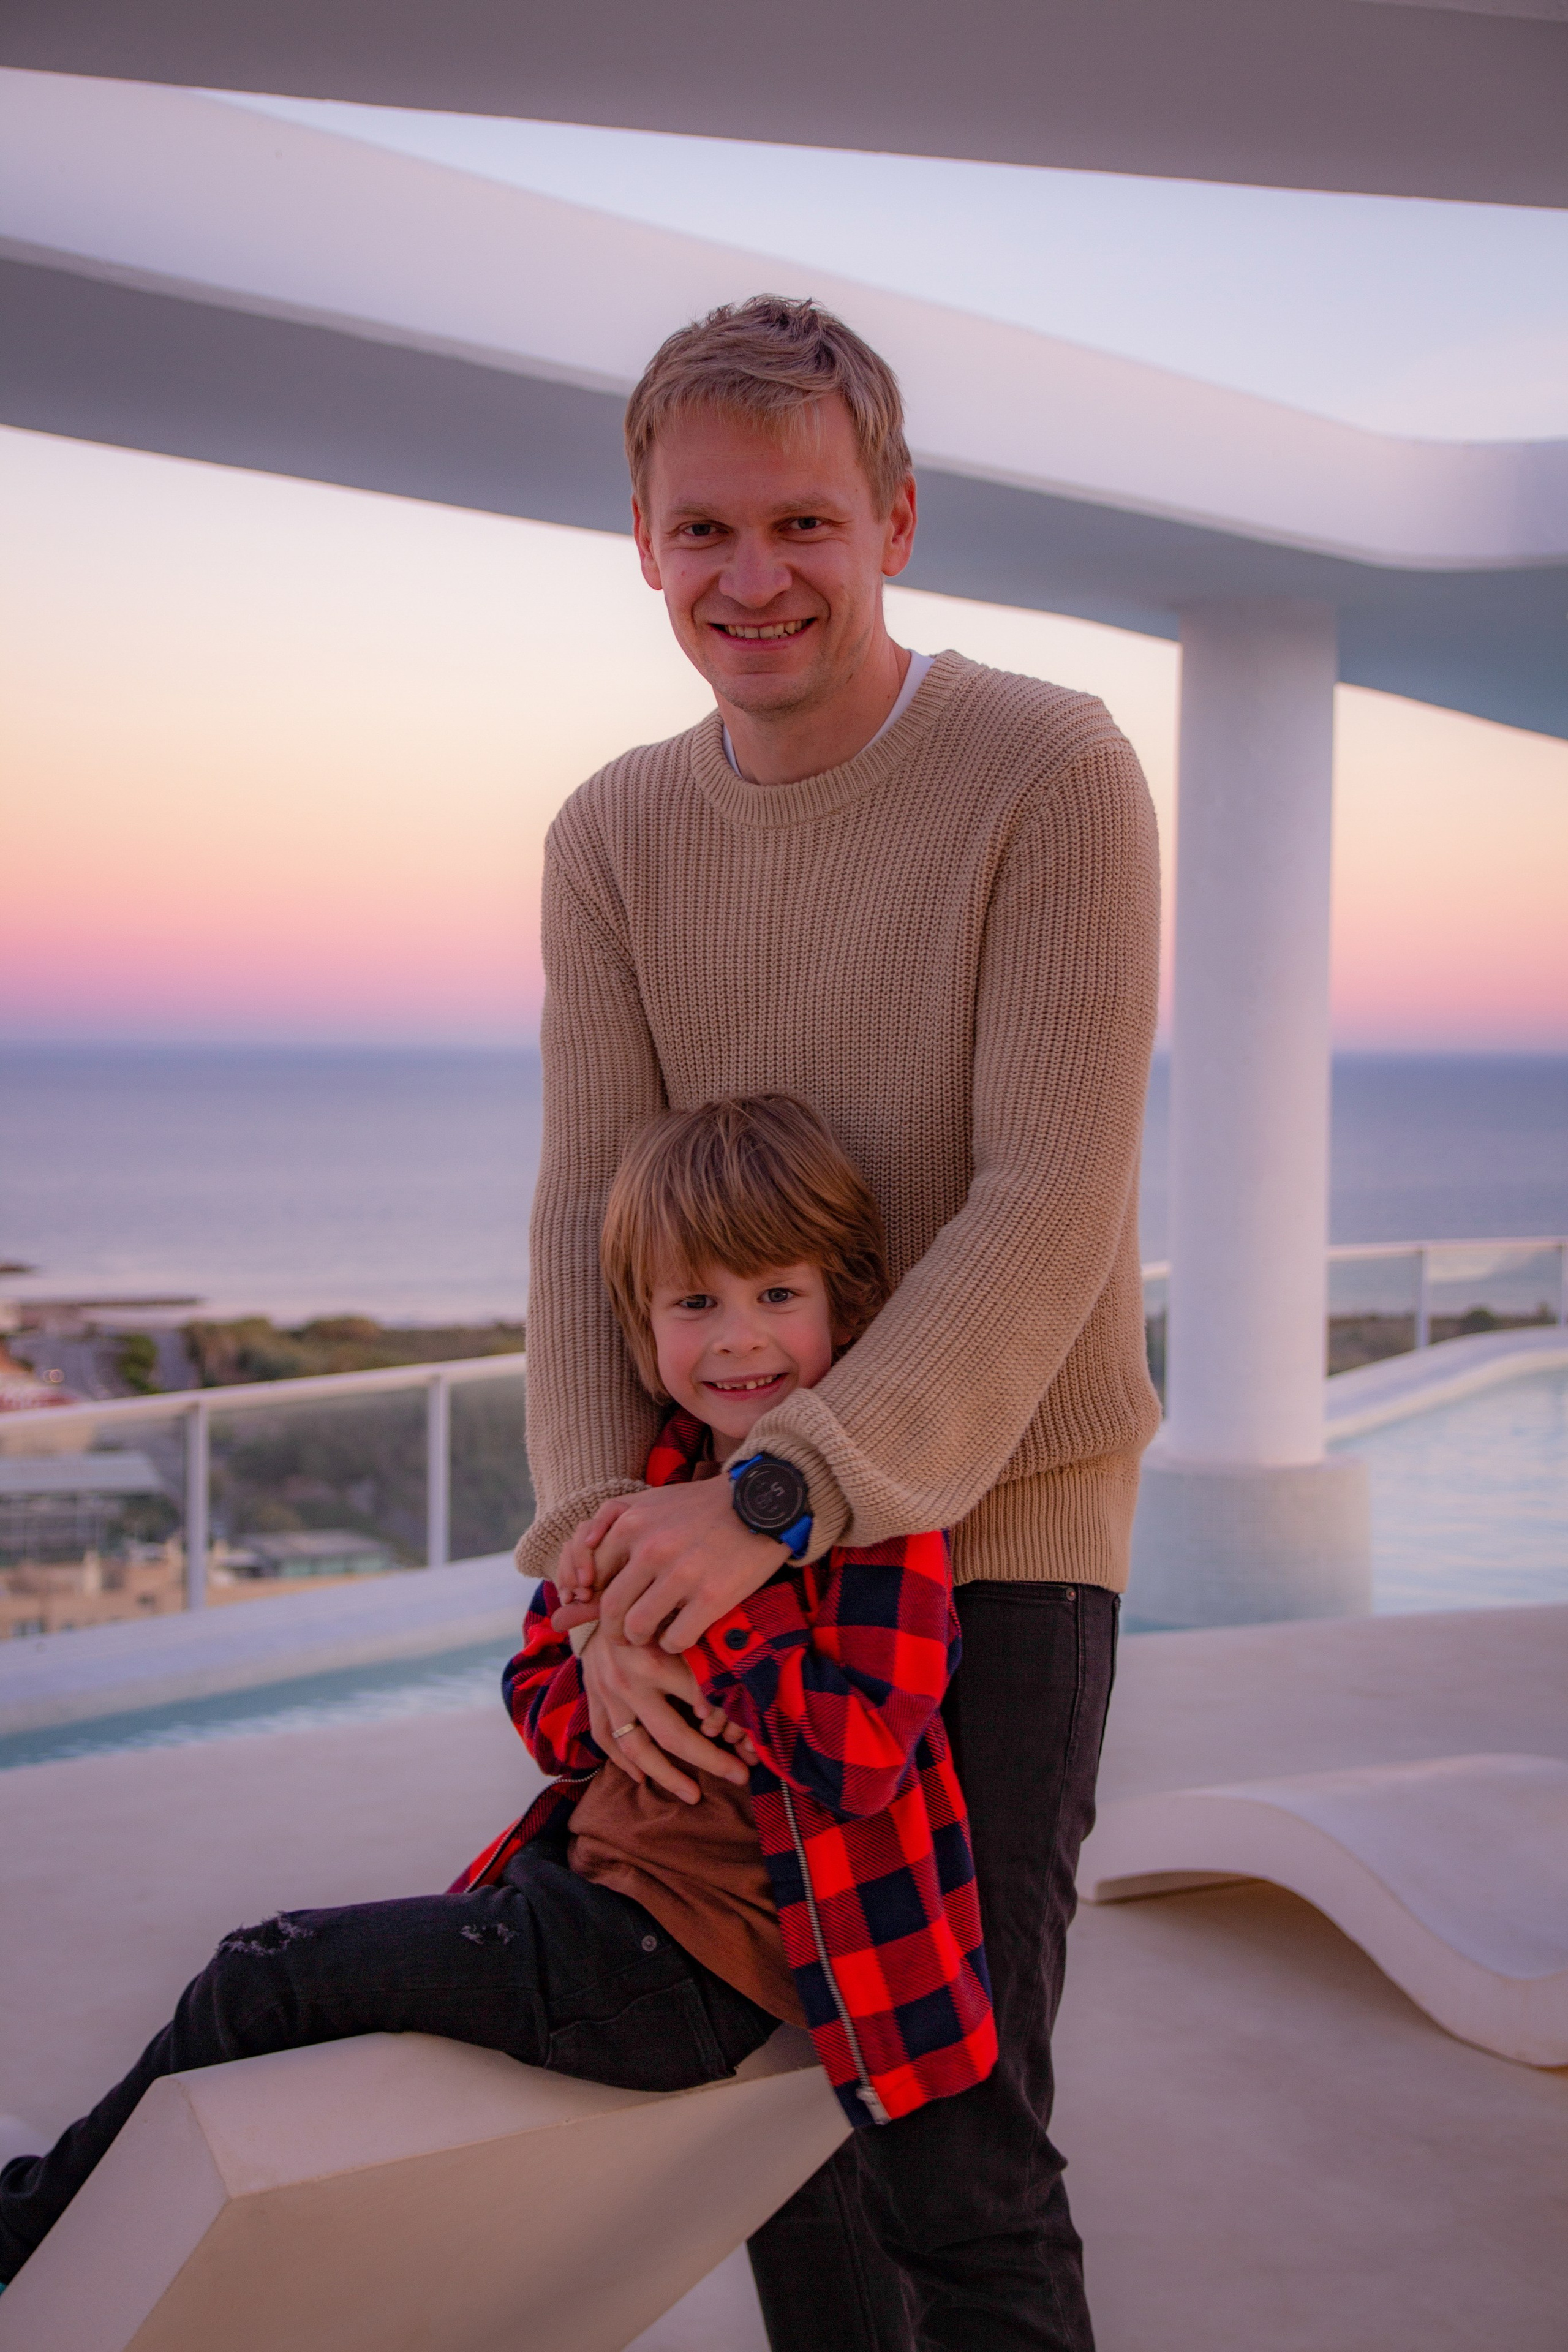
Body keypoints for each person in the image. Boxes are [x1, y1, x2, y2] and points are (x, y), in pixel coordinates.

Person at [522, 294, 1162, 2352]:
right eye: (705, 531)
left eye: (802, 521)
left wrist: (781, 1497)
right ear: (642, 544)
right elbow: (581, 1210)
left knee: (953, 2150)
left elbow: (1050, 1195)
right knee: (774, 2144)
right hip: (712, 1558)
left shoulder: (1050, 768)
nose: (755, 576)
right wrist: (593, 1573)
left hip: (994, 1544)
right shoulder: (612, 833)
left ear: (893, 516)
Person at [0, 1094, 991, 2294]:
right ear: (642, 1327)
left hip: (673, 1973)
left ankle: (27, 2234)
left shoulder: (872, 1527)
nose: (739, 1339)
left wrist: (709, 1625)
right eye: (696, 1303)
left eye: (776, 1295)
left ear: (843, 1301)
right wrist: (600, 1659)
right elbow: (543, 1713)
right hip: (579, 1901)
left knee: (264, 1973)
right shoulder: (649, 1482)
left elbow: (862, 1753)